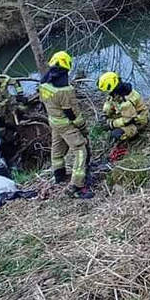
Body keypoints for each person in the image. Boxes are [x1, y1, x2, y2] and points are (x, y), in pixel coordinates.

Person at [38, 51, 93, 199]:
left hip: (54, 122)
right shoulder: (65, 90)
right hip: (66, 125)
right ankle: (77, 185)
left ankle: (59, 175)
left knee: (57, 149)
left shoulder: (44, 83)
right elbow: (72, 113)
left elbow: (43, 102)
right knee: (80, 150)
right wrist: (82, 128)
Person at [98, 71, 149, 142]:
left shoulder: (126, 102)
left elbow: (127, 120)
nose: (107, 93)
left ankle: (133, 135)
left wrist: (111, 124)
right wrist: (105, 115)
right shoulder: (117, 92)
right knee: (109, 112)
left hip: (136, 121)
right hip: (128, 115)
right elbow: (110, 102)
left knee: (117, 134)